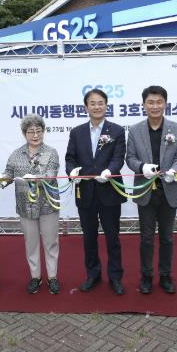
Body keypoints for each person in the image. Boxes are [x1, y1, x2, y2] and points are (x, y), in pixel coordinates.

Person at [126, 85, 177, 295]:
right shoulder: (135, 130)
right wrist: (141, 167)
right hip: (145, 191)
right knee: (146, 237)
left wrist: (174, 170)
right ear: (143, 105)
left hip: (169, 189)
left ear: (165, 104)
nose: (155, 106)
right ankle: (146, 276)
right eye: (150, 102)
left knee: (167, 237)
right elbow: (130, 158)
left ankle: (165, 275)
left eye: (159, 102)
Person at [65, 88, 127, 295]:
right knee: (89, 237)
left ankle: (115, 277)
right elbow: (70, 158)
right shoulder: (77, 132)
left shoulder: (117, 131)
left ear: (106, 105)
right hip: (86, 192)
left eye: (100, 103)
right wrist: (71, 172)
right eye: (92, 103)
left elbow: (118, 157)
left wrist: (110, 171)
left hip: (109, 191)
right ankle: (93, 274)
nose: (97, 106)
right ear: (86, 107)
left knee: (112, 238)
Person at [0, 114, 61, 295]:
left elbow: (51, 175)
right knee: (31, 243)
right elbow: (8, 174)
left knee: (50, 242)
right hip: (25, 206)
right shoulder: (16, 154)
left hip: (48, 204)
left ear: (43, 132)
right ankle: (35, 277)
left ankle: (52, 277)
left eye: (38, 131)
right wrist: (3, 180)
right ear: (24, 134)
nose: (35, 135)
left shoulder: (51, 152)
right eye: (31, 131)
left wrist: (36, 178)